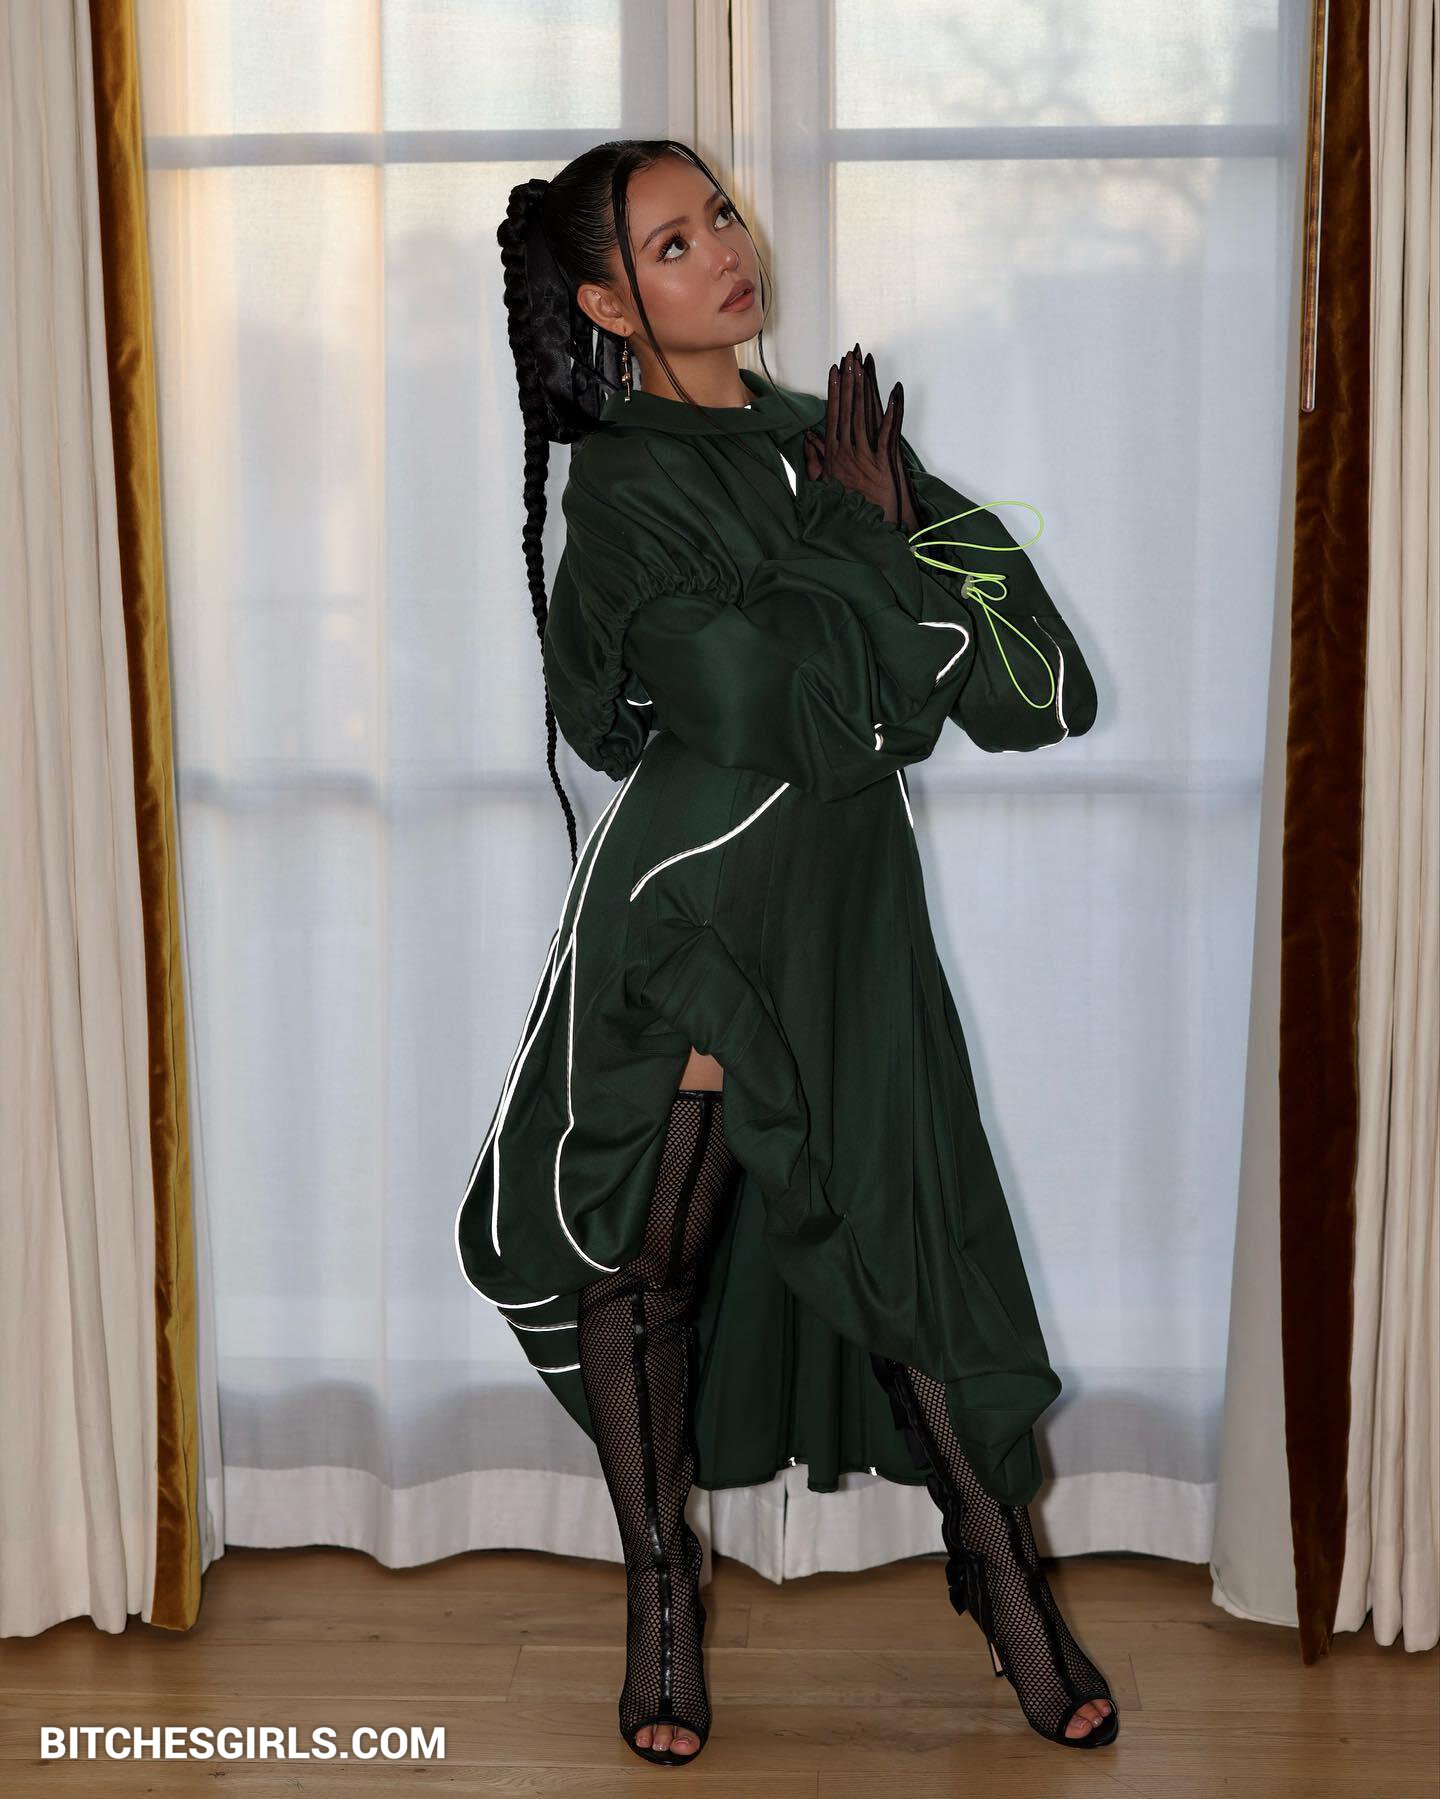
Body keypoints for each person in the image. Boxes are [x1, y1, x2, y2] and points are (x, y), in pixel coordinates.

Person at [457, 137, 1118, 1765]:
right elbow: (749, 705)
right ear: (610, 303)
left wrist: (881, 548)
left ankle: (1004, 1580)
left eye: (720, 216)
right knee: (651, 1256)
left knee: (906, 1238)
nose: (723, 250)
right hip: (694, 903)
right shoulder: (624, 481)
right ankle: (661, 1599)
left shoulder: (826, 440)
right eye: (672, 244)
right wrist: (865, 556)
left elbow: (1027, 685)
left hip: (845, 906)